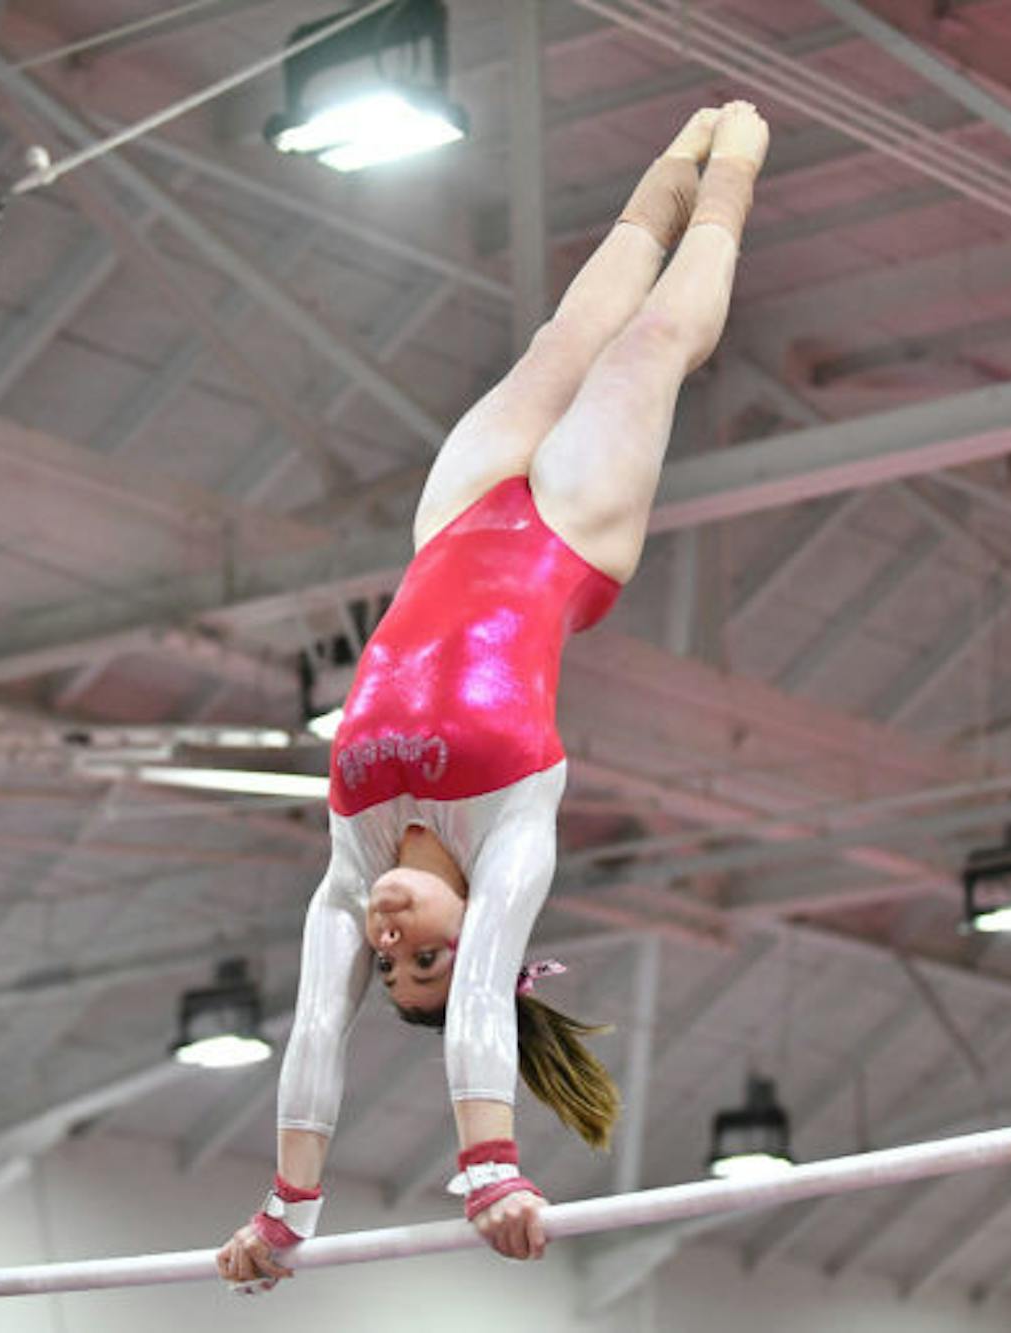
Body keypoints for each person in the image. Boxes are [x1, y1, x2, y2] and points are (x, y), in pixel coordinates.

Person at [214, 100, 769, 1292]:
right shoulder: (515, 832)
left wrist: (283, 1212)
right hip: (565, 539)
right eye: (425, 957)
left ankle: (670, 158)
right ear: (471, 951)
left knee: (562, 336)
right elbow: (474, 1007)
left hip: (451, 522)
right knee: (645, 343)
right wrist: (490, 1169)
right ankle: (731, 176)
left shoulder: (349, 860)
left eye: (389, 962)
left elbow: (317, 1027)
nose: (388, 939)